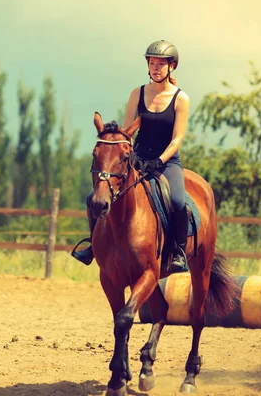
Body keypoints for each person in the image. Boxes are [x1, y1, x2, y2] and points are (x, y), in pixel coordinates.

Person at [71, 40, 190, 272]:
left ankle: (178, 252)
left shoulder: (180, 98)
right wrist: (130, 155)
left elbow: (177, 139)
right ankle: (93, 246)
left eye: (161, 64)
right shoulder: (138, 93)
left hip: (166, 162)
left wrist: (160, 160)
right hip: (136, 158)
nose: (155, 68)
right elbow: (127, 131)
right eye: (152, 63)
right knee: (92, 198)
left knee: (177, 201)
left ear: (171, 67)